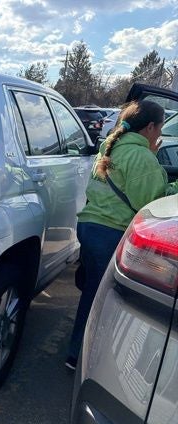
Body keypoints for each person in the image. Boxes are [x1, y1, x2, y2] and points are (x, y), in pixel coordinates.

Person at [66, 100, 178, 370]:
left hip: (89, 227)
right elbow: (150, 203)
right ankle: (79, 356)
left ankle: (76, 349)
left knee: (92, 289)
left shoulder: (110, 145)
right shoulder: (142, 158)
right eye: (159, 128)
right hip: (110, 233)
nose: (159, 133)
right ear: (150, 127)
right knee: (102, 298)